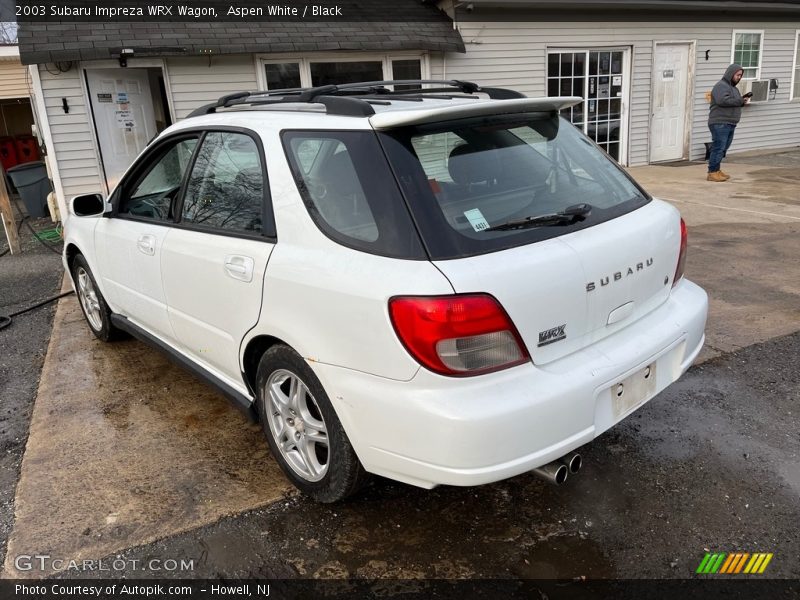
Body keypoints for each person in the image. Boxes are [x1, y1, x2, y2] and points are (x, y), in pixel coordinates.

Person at [707, 63, 752, 182]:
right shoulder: (721, 86)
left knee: (723, 148)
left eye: (741, 75)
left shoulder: (734, 89)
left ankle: (716, 170)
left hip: (730, 123)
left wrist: (742, 101)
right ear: (730, 74)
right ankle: (712, 172)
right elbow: (723, 101)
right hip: (720, 122)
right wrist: (739, 101)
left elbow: (734, 102)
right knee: (719, 147)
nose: (739, 77)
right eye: (737, 75)